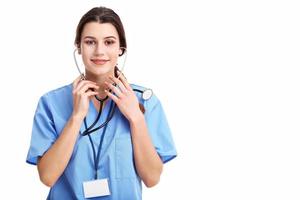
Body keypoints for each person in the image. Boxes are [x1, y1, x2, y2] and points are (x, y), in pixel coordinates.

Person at [26, 6, 177, 200]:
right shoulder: (51, 103)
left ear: (121, 49)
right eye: (90, 42)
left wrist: (136, 118)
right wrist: (77, 116)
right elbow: (47, 177)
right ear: (78, 47)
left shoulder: (145, 101)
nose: (99, 51)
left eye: (109, 42)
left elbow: (152, 178)